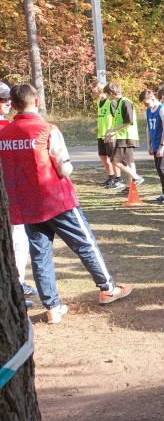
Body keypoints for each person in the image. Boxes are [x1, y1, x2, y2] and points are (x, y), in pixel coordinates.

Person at [0, 84, 132, 323]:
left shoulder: (4, 134)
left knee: (40, 255)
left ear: (14, 105)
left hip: (26, 203)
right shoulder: (47, 129)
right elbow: (65, 167)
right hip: (56, 199)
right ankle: (107, 287)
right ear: (37, 101)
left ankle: (53, 306)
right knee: (85, 243)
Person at [0, 82, 36, 306]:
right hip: (9, 192)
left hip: (11, 190)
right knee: (18, 238)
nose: (6, 103)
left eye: (7, 100)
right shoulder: (6, 127)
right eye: (2, 100)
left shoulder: (8, 125)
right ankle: (17, 286)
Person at [103, 82, 143, 193]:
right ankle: (131, 187)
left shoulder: (125, 102)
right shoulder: (119, 102)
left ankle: (136, 177)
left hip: (127, 136)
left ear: (111, 93)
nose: (106, 97)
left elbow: (128, 121)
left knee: (115, 161)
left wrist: (114, 131)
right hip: (123, 136)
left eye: (107, 94)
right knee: (128, 161)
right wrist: (112, 131)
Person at [139, 89, 164, 205]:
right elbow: (149, 128)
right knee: (159, 169)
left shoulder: (163, 109)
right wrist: (149, 144)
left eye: (147, 103)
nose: (146, 105)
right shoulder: (148, 110)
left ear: (153, 99)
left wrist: (162, 146)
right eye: (144, 104)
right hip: (155, 143)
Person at [88, 81, 120, 188]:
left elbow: (118, 119)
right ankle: (111, 177)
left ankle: (118, 179)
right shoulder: (98, 102)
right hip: (101, 135)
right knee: (103, 156)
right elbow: (102, 118)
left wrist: (113, 132)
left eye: (95, 92)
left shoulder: (111, 102)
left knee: (113, 158)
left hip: (110, 136)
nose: (94, 94)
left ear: (100, 90)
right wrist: (96, 129)